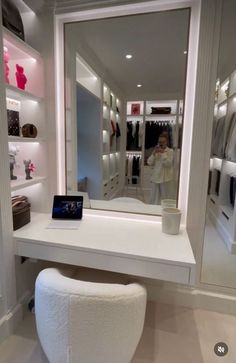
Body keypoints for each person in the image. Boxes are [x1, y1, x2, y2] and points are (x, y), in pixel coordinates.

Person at [147, 134, 174, 204]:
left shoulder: (170, 151)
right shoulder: (156, 151)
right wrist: (153, 154)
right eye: (159, 142)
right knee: (153, 197)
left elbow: (168, 164)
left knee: (165, 197)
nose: (161, 143)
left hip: (165, 178)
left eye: (163, 142)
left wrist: (162, 153)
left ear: (166, 142)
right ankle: (153, 211)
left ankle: (164, 211)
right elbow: (149, 162)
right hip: (155, 177)